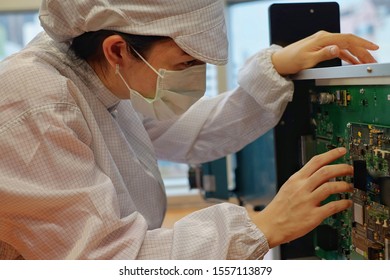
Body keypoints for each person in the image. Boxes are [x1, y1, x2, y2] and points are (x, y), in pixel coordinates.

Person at [0, 0, 378, 260]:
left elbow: (192, 133)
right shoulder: (36, 104)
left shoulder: (100, 78)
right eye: (186, 62)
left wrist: (276, 67)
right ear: (118, 50)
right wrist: (261, 227)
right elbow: (107, 263)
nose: (196, 76)